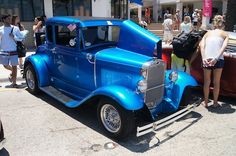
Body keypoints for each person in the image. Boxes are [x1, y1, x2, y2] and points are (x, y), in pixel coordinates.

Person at [199, 15, 229, 108]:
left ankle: (206, 102)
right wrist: (216, 58)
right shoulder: (225, 34)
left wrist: (204, 58)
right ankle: (215, 103)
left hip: (206, 59)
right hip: (218, 60)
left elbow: (201, 46)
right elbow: (223, 47)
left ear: (214, 24)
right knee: (216, 82)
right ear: (222, 24)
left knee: (207, 82)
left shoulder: (207, 33)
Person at [0, 14, 24, 87]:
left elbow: (21, 38)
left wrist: (14, 37)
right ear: (3, 20)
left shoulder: (15, 28)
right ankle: (12, 71)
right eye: (8, 19)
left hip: (14, 50)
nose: (10, 20)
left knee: (14, 66)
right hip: (4, 51)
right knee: (5, 65)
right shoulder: (0, 29)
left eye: (10, 19)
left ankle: (14, 83)